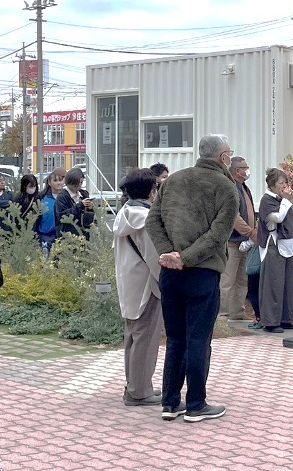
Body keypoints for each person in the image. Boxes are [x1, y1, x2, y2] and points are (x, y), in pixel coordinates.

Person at [146, 133, 239, 423]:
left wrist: (169, 254)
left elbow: (153, 220)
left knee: (175, 339)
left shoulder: (173, 180)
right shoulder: (227, 187)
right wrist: (185, 258)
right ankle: (196, 404)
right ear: (224, 157)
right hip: (203, 273)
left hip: (170, 273)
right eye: (230, 154)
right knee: (198, 338)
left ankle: (170, 402)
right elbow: (217, 236)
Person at [113, 168, 163, 406]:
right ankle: (140, 391)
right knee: (146, 337)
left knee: (132, 336)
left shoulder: (124, 213)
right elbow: (155, 258)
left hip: (128, 281)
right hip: (147, 285)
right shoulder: (146, 219)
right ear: (152, 191)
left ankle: (134, 384)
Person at [256, 168, 293, 334]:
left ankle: (286, 318)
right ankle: (271, 321)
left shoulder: (284, 199)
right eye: (281, 183)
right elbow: (278, 218)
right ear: (272, 185)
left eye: (286, 183)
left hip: (288, 243)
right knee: (273, 283)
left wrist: (292, 201)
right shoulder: (267, 200)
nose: (284, 186)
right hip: (273, 244)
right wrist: (286, 202)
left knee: (289, 283)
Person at [219, 156, 257, 322]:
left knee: (242, 280)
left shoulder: (244, 188)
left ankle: (237, 312)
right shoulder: (231, 188)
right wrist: (250, 232)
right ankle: (222, 315)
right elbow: (234, 216)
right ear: (236, 171)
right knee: (227, 280)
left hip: (245, 243)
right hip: (232, 242)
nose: (247, 170)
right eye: (244, 167)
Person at [55, 167, 93, 238]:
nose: (79, 185)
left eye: (81, 182)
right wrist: (80, 205)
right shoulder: (62, 197)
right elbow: (63, 216)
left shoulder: (84, 194)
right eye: (76, 183)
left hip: (84, 236)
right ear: (70, 182)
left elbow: (88, 221)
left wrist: (90, 209)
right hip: (67, 237)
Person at [36, 168, 65, 250]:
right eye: (55, 180)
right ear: (49, 183)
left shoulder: (66, 197)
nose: (58, 183)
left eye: (60, 180)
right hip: (45, 236)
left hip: (62, 236)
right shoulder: (42, 197)